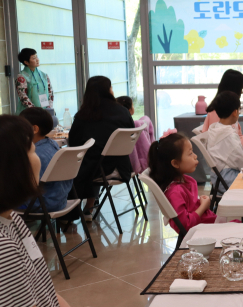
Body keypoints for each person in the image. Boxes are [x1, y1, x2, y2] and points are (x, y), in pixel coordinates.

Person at [0, 115, 128, 307]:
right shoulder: (3, 248)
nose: (39, 157)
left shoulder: (12, 219)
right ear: (13, 167)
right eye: (32, 149)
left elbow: (43, 290)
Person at [68, 76, 134, 220]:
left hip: (96, 170)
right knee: (96, 157)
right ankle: (89, 207)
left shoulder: (83, 115)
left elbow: (72, 143)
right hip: (121, 167)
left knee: (80, 162)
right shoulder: (122, 111)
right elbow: (131, 132)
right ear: (108, 90)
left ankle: (69, 211)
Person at [148, 131, 217, 233]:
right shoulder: (175, 192)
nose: (195, 156)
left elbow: (190, 207)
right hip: (203, 232)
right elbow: (185, 225)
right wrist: (203, 206)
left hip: (208, 224)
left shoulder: (184, 181)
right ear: (175, 163)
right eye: (190, 153)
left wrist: (199, 201)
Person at [18, 107, 73, 213]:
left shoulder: (36, 154)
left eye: (20, 126)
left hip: (41, 203)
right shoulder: (52, 144)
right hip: (60, 200)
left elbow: (24, 186)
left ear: (34, 129)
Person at [204, 91, 243, 190]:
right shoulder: (229, 135)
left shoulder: (214, 128)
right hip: (228, 180)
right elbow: (240, 162)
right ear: (235, 112)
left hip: (216, 177)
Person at [202, 69, 243, 150]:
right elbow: (222, 146)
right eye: (241, 88)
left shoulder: (227, 111)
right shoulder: (219, 113)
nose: (241, 92)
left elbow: (238, 134)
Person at [116, 96, 155, 174]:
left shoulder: (115, 127)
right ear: (130, 110)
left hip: (119, 165)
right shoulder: (137, 125)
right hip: (132, 166)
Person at [15, 48, 54, 113]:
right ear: (26, 62)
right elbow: (23, 97)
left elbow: (50, 92)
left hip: (45, 111)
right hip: (29, 113)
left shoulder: (44, 75)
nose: (37, 59)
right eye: (34, 58)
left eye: (37, 57)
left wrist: (49, 107)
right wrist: (36, 111)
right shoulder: (21, 77)